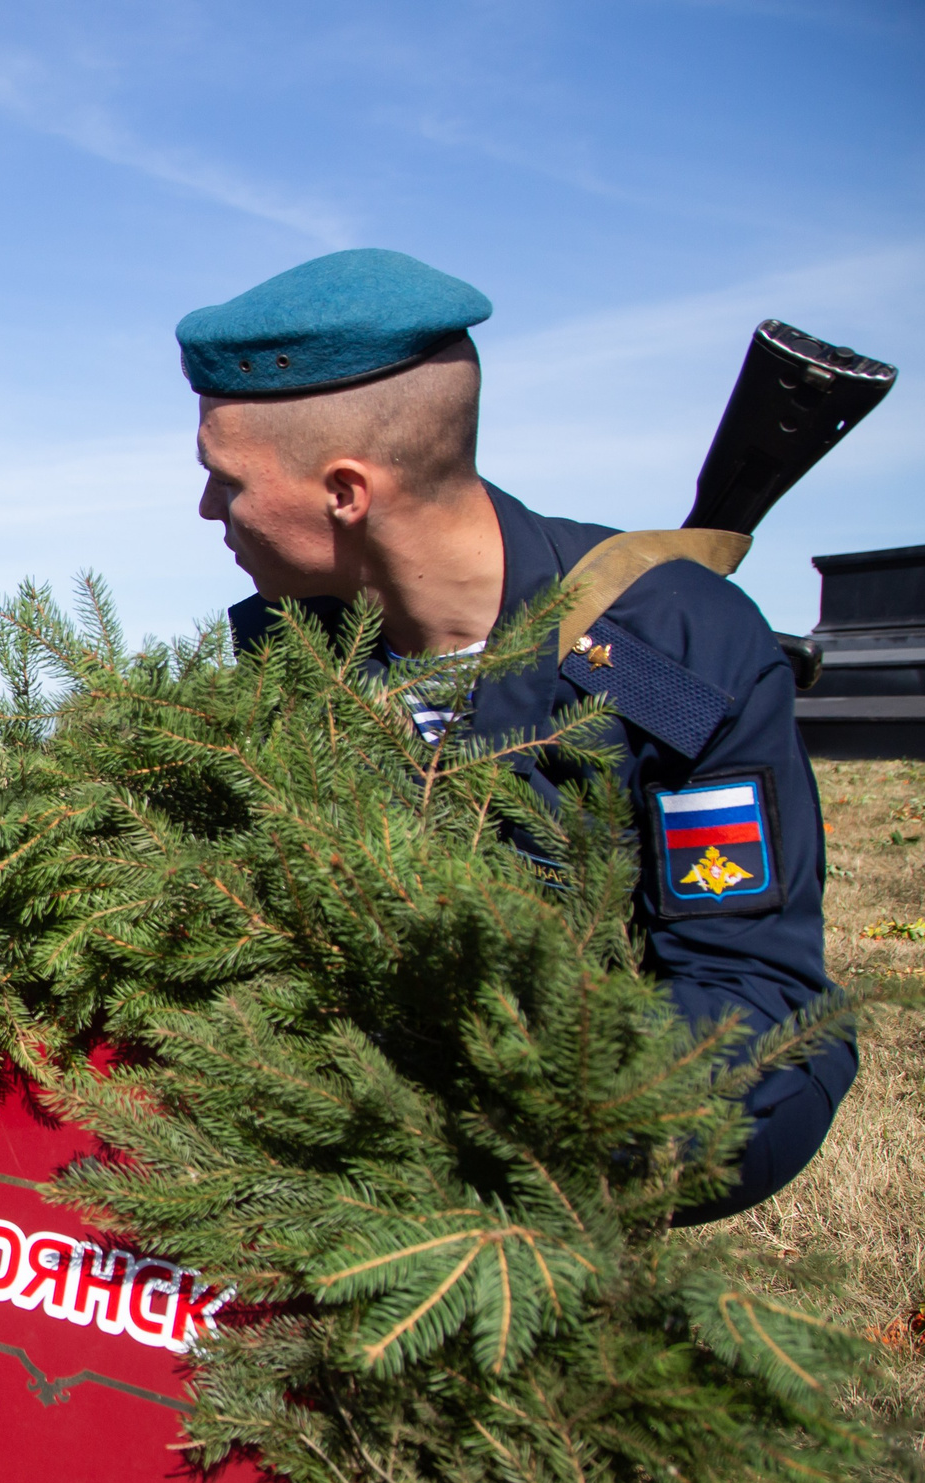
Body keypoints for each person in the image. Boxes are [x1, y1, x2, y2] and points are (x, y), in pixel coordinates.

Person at [178, 246, 850, 1225]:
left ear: (345, 493)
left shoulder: (656, 655)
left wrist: (486, 1116)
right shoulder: (287, 653)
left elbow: (757, 1002)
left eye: (225, 480)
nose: (207, 510)